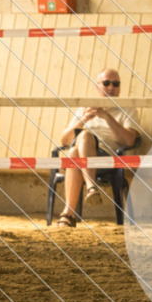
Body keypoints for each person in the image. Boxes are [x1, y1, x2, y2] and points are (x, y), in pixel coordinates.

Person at [55, 69, 139, 228]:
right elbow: (64, 140)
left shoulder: (128, 109)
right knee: (75, 148)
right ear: (97, 86)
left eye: (116, 84)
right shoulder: (85, 108)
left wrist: (106, 116)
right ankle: (88, 191)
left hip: (107, 158)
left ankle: (69, 213)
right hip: (81, 155)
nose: (111, 88)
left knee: (81, 141)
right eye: (106, 83)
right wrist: (84, 118)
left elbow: (129, 140)